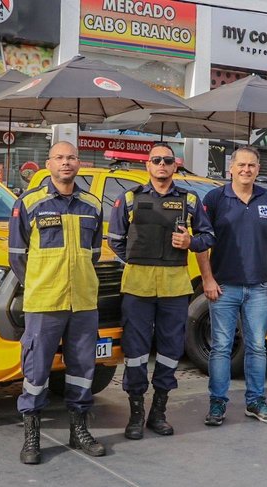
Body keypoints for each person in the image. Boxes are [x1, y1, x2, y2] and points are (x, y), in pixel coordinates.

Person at [8, 141, 106, 464]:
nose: (66, 163)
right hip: (44, 301)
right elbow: (17, 256)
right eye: (59, 158)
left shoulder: (92, 204)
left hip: (82, 302)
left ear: (79, 164)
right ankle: (31, 436)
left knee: (82, 368)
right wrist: (40, 283)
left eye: (71, 158)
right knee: (36, 370)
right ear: (47, 165)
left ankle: (78, 430)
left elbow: (93, 253)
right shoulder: (30, 203)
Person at [108, 143, 214, 439]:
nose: (162, 165)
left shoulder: (190, 200)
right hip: (137, 286)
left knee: (169, 351)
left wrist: (190, 243)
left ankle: (159, 412)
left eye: (168, 160)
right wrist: (136, 259)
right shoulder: (128, 198)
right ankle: (136, 413)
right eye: (157, 160)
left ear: (175, 166)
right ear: (148, 166)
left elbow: (208, 236)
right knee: (136, 351)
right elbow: (115, 240)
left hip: (174, 287)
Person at [198, 146, 267, 426]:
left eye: (251, 165)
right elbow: (201, 242)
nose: (246, 170)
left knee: (258, 347)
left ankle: (255, 401)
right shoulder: (214, 198)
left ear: (258, 169)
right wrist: (207, 279)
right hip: (223, 287)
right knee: (221, 347)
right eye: (241, 165)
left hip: (259, 287)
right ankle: (217, 404)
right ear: (231, 169)